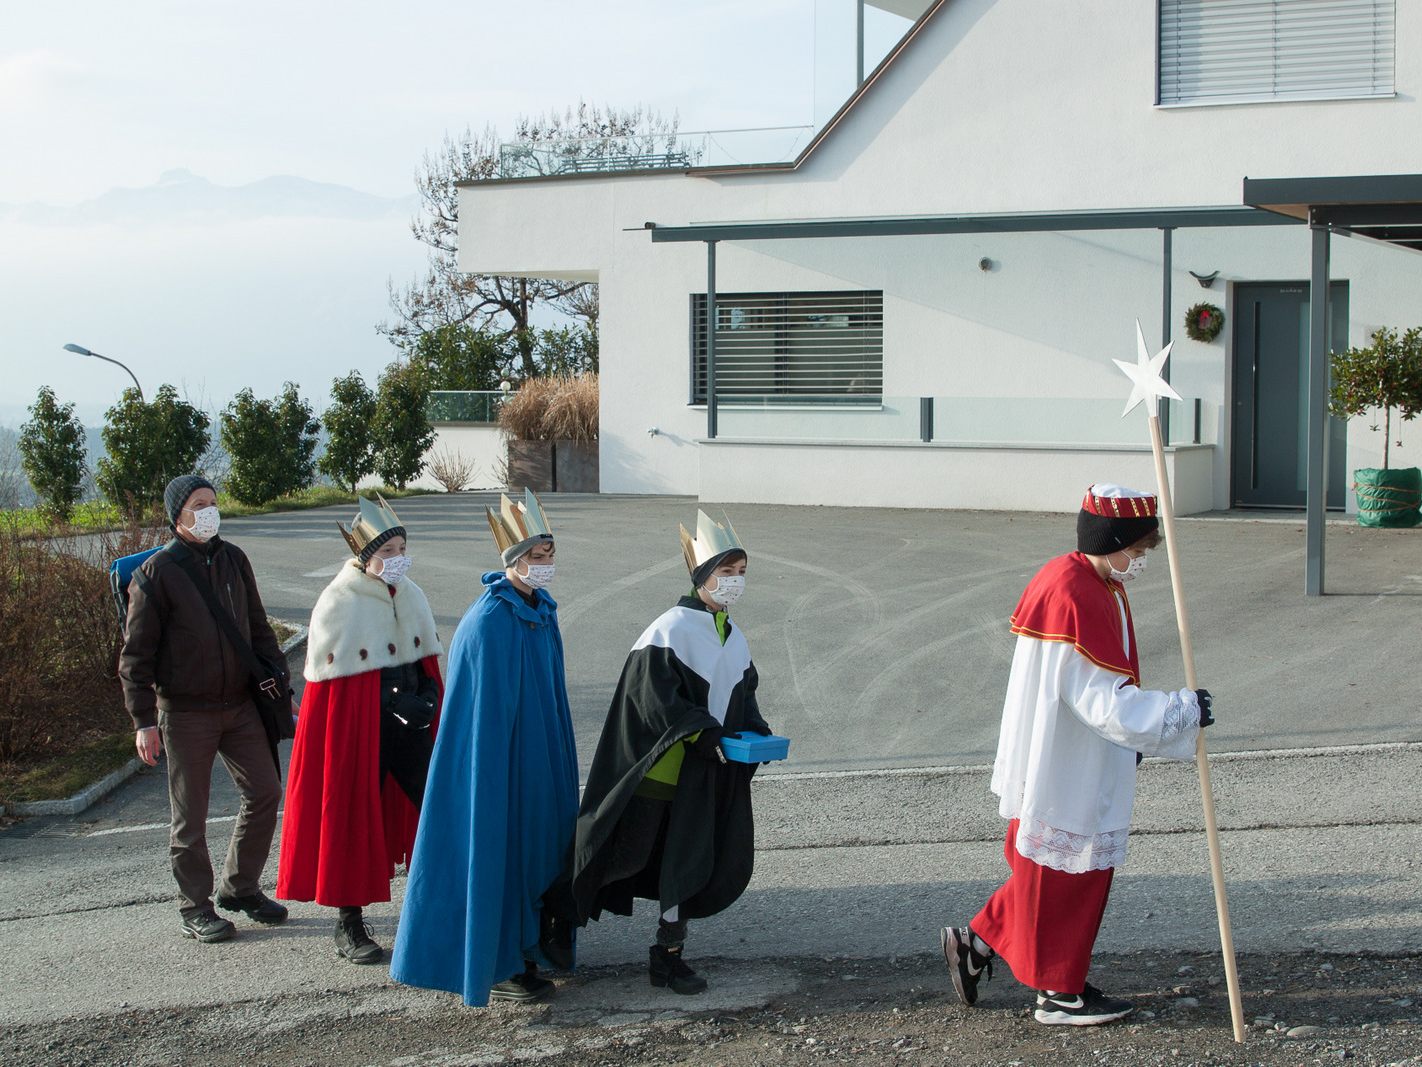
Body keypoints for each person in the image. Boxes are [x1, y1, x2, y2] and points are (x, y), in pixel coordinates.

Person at [941, 483, 1215, 1026]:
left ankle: (978, 941)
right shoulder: (1079, 595)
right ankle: (1057, 993)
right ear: (1110, 540)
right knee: (1068, 878)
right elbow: (1101, 703)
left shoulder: (1078, 575)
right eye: (1135, 551)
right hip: (1068, 760)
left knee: (1048, 868)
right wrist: (1178, 710)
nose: (1139, 562)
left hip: (1060, 751)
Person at [567, 509, 772, 996]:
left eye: (741, 573)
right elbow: (654, 700)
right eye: (725, 573)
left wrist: (758, 735)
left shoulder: (732, 634)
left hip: (703, 779)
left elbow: (745, 695)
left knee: (686, 864)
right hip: (659, 777)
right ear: (702, 576)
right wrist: (706, 735)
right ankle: (554, 917)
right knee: (621, 857)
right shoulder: (670, 629)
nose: (734, 583)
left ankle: (668, 956)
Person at [390, 489, 579, 1005]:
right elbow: (479, 719)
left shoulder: (542, 612)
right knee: (501, 851)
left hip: (539, 758)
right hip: (501, 765)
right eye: (537, 558)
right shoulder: (489, 621)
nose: (546, 565)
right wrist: (498, 773)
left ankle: (532, 943)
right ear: (514, 561)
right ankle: (498, 961)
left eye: (550, 555)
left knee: (540, 845)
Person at [119, 473, 292, 943]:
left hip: (239, 705)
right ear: (178, 515)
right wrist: (143, 722)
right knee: (189, 818)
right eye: (199, 503)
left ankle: (240, 887)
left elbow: (258, 628)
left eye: (213, 502)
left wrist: (278, 675)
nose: (210, 511)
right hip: (185, 712)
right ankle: (195, 906)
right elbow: (136, 657)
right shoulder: (156, 574)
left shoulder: (234, 559)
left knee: (265, 793)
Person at [276, 495, 443, 964]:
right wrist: (393, 701)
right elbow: (341, 687)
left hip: (412, 729)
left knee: (437, 807)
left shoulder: (412, 593)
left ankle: (439, 904)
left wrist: (428, 697)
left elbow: (425, 660)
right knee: (349, 814)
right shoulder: (338, 600)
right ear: (366, 556)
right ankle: (348, 923)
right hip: (362, 732)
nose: (396, 561)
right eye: (387, 553)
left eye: (401, 550)